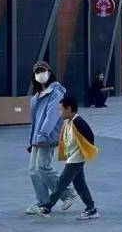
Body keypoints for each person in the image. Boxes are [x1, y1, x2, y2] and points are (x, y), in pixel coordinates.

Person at [35, 96, 100, 220]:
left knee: (61, 183)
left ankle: (47, 207)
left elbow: (90, 138)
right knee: (79, 184)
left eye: (61, 109)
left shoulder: (79, 122)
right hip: (73, 157)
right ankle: (91, 209)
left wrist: (83, 151)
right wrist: (44, 144)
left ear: (68, 109)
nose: (60, 112)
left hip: (76, 158)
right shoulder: (68, 122)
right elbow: (63, 140)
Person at [26, 61, 76, 215]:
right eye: (38, 72)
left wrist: (42, 135)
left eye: (43, 71)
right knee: (33, 171)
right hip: (37, 137)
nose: (41, 74)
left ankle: (67, 193)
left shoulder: (55, 92)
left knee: (43, 167)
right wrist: (32, 139)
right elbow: (35, 120)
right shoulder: (37, 95)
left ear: (49, 72)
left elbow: (52, 116)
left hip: (47, 136)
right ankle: (42, 202)